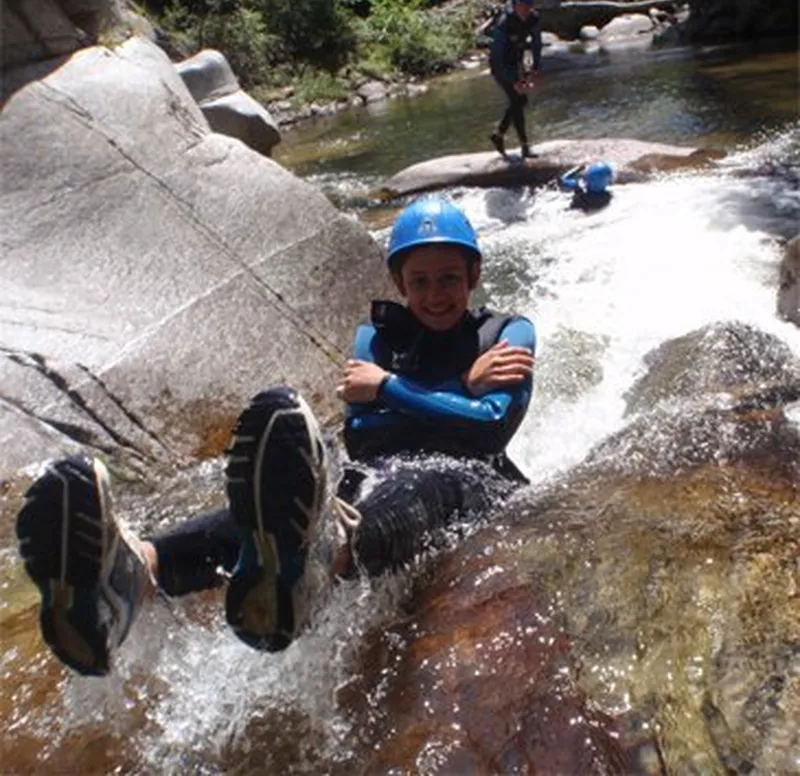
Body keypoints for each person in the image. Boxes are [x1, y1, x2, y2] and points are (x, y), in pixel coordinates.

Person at [16, 197, 536, 676]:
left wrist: (389, 388)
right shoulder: (376, 338)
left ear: (474, 275)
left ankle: (329, 559)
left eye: (449, 279)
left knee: (419, 486)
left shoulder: (507, 333)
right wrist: (460, 391)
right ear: (399, 282)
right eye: (420, 281)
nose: (435, 294)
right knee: (282, 515)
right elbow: (362, 433)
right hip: (376, 468)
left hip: (471, 480)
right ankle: (132, 573)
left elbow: (490, 429)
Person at [489, 0, 543, 160]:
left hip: (516, 61)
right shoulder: (504, 23)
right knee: (518, 100)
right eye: (521, 3)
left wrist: (535, 67)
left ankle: (499, 134)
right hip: (500, 65)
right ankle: (524, 147)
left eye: (529, 4)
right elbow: (497, 57)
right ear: (514, 4)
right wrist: (513, 80)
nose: (525, 8)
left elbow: (536, 43)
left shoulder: (533, 18)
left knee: (520, 101)